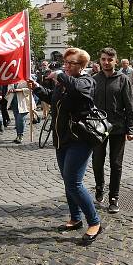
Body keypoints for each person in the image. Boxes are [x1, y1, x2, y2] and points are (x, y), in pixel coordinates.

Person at [31, 48, 102, 245]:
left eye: (71, 63)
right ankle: (75, 217)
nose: (66, 66)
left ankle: (94, 221)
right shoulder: (64, 84)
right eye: (66, 63)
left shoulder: (87, 81)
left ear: (82, 66)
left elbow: (77, 90)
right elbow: (53, 100)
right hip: (62, 139)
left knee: (74, 183)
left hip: (79, 140)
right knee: (67, 181)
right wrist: (36, 87)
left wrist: (60, 75)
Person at [91, 47, 133, 213]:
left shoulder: (123, 79)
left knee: (116, 164)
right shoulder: (94, 79)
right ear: (99, 60)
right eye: (103, 59)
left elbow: (130, 106)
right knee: (97, 162)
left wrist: (130, 129)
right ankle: (99, 187)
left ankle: (114, 197)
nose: (106, 62)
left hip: (117, 127)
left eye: (109, 60)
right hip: (98, 128)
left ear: (115, 61)